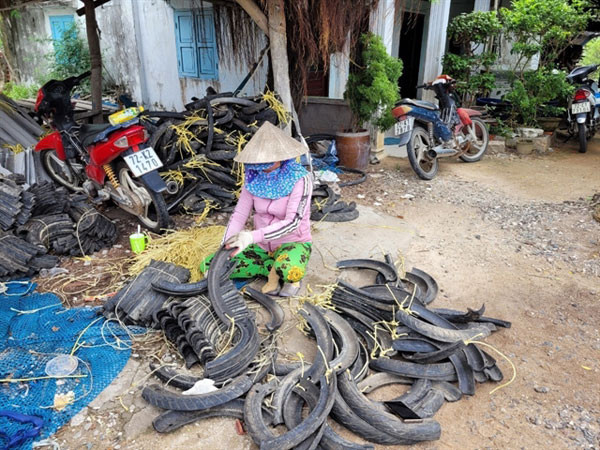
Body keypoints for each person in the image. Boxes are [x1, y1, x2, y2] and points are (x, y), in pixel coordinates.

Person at [200, 122, 313, 297]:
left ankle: (283, 272)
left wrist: (251, 236)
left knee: (289, 270)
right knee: (210, 265)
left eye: (266, 162)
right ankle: (270, 269)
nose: (262, 168)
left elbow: (292, 222)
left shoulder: (300, 179)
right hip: (262, 246)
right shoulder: (253, 178)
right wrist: (227, 244)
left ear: (280, 158)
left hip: (292, 243)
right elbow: (240, 214)